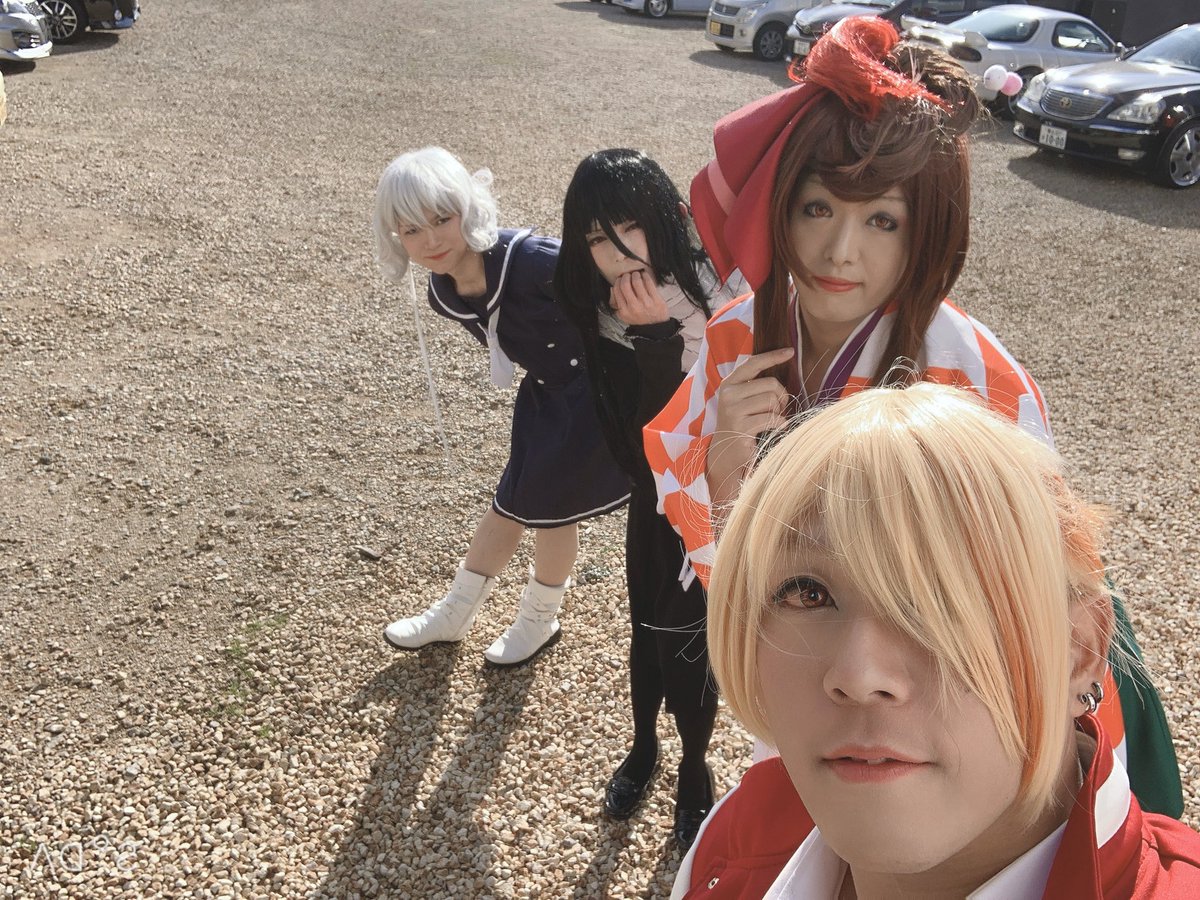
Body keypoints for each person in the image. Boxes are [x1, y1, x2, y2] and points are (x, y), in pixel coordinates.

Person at [644, 17, 1182, 816]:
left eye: (882, 221)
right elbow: (723, 561)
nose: (839, 252)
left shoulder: (974, 378)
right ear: (782, 208)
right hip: (800, 657)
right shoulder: (734, 337)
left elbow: (1018, 592)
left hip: (934, 694)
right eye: (818, 208)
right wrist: (727, 475)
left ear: (925, 232)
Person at [671, 383, 1200, 899]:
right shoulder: (733, 836)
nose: (859, 675)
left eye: (946, 596)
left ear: (1079, 651)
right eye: (807, 593)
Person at [373, 146, 630, 667]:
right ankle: (467, 612)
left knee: (544, 508)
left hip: (603, 392)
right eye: (412, 230)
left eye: (442, 219)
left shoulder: (534, 259)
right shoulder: (444, 292)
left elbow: (619, 288)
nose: (431, 241)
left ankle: (530, 616)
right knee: (518, 502)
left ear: (468, 208)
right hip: (548, 395)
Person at [555, 149, 745, 847]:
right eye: (596, 237)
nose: (616, 251)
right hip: (653, 498)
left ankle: (694, 767)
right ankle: (643, 746)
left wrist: (664, 337)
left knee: (690, 640)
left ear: (664, 218)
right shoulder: (601, 313)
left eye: (628, 226)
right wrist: (650, 339)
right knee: (644, 630)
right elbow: (640, 451)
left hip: (719, 496)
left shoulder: (722, 288)